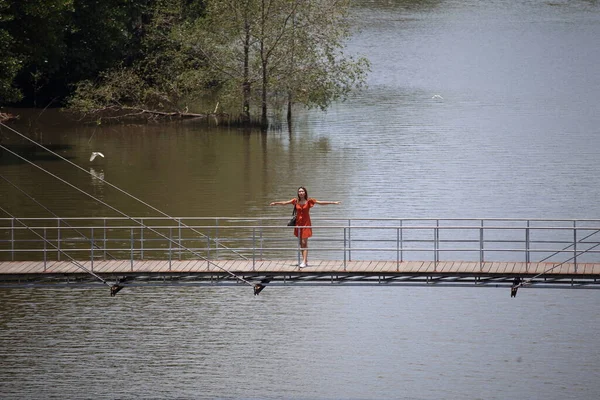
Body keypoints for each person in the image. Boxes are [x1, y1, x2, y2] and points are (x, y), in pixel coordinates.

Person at [270, 187, 340, 267]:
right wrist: (276, 203)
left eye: (302, 191)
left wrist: (333, 202)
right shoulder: (295, 201)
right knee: (300, 243)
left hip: (306, 224)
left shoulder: (309, 201)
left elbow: (321, 203)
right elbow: (285, 203)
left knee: (304, 243)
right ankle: (305, 260)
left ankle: (303, 261)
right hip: (298, 225)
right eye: (299, 191)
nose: (301, 192)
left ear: (305, 192)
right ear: (298, 193)